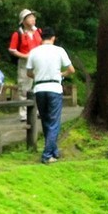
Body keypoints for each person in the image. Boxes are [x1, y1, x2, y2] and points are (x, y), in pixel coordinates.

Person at [26, 26, 74, 164]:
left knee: (46, 120)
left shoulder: (34, 51)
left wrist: (39, 75)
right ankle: (47, 155)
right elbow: (71, 69)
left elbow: (29, 73)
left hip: (39, 88)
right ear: (53, 38)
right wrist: (62, 74)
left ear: (42, 38)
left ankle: (54, 150)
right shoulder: (59, 51)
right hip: (54, 87)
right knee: (54, 122)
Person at [8, 9, 43, 123]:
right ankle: (24, 113)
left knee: (38, 86)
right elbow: (12, 50)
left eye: (33, 17)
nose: (33, 19)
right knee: (24, 87)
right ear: (23, 20)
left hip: (39, 62)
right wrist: (25, 56)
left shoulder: (39, 31)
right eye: (30, 17)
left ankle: (37, 110)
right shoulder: (18, 33)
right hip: (25, 62)